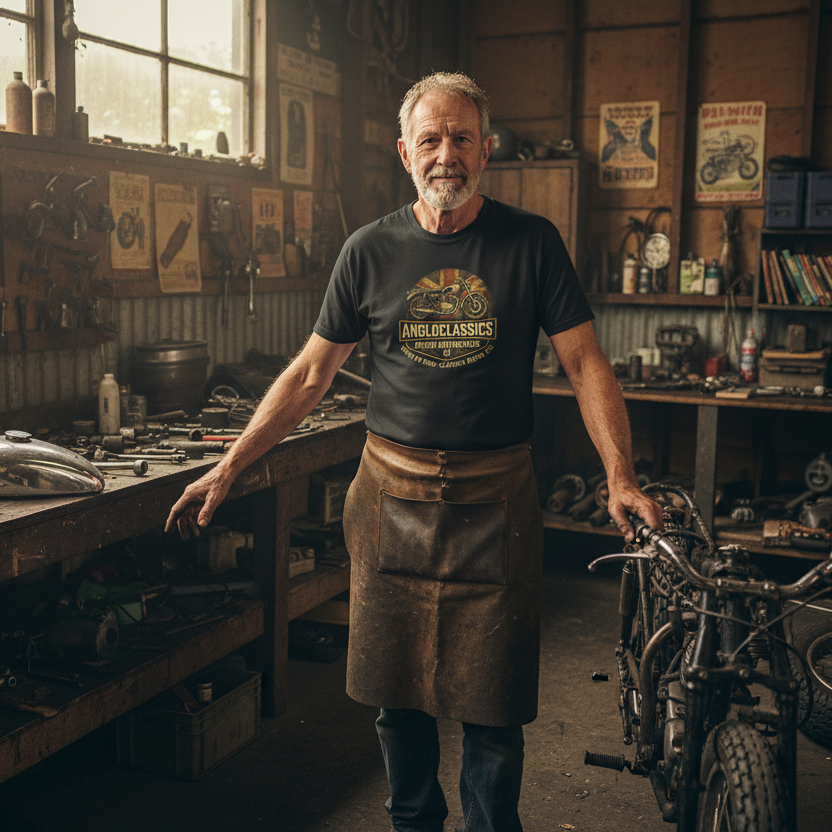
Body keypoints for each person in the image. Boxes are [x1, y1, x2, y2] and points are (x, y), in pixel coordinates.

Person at [166, 71, 662, 832]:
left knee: (494, 709)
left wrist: (619, 475)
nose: (446, 155)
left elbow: (586, 363)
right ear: (405, 152)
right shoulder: (367, 251)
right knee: (398, 701)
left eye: (461, 137)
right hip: (391, 503)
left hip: (497, 503)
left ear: (486, 149)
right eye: (430, 139)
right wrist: (229, 466)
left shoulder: (532, 243)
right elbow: (309, 374)